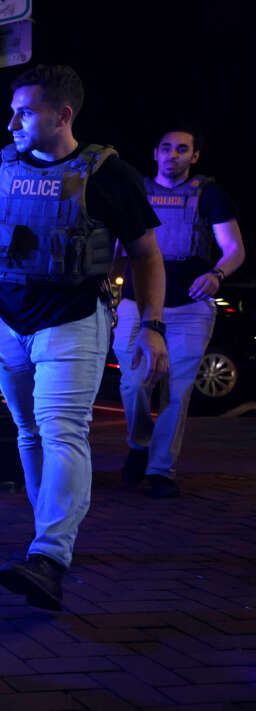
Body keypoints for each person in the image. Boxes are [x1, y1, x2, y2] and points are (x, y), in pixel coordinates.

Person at [0, 64, 169, 611]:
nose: (12, 120)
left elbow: (146, 254)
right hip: (5, 323)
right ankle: (47, 539)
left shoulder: (110, 175)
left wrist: (152, 325)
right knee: (29, 431)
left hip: (73, 319)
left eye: (26, 111)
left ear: (62, 115)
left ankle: (49, 553)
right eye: (12, 109)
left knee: (63, 430)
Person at [112, 128, 245, 498]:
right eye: (167, 148)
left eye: (182, 149)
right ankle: (139, 444)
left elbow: (234, 248)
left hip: (189, 307)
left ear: (195, 156)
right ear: (155, 153)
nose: (173, 155)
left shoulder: (209, 194)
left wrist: (218, 274)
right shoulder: (135, 190)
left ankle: (160, 470)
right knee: (134, 383)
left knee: (177, 390)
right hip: (136, 304)